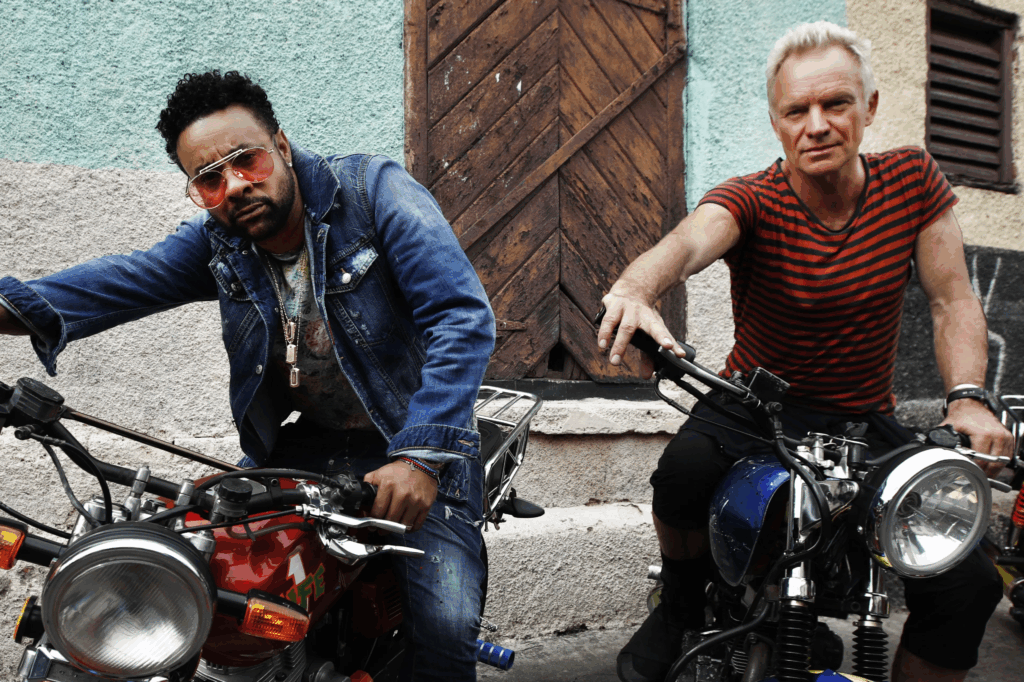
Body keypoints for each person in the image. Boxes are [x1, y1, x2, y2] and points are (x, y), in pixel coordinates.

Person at [0, 70, 495, 682]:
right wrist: (9, 311)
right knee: (214, 583)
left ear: (280, 146)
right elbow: (118, 281)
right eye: (209, 179)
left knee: (444, 628)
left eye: (247, 161)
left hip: (412, 438)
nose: (234, 185)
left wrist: (420, 457)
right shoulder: (221, 243)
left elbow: (460, 318)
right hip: (305, 447)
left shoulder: (373, 192)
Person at [597, 22, 1014, 682]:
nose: (816, 125)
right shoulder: (752, 197)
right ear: (776, 122)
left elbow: (952, 300)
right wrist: (635, 288)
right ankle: (678, 606)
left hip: (863, 421)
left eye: (836, 103)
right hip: (752, 406)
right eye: (797, 110)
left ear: (869, 107)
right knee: (681, 473)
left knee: (967, 582)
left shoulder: (912, 179)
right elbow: (690, 240)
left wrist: (967, 399)